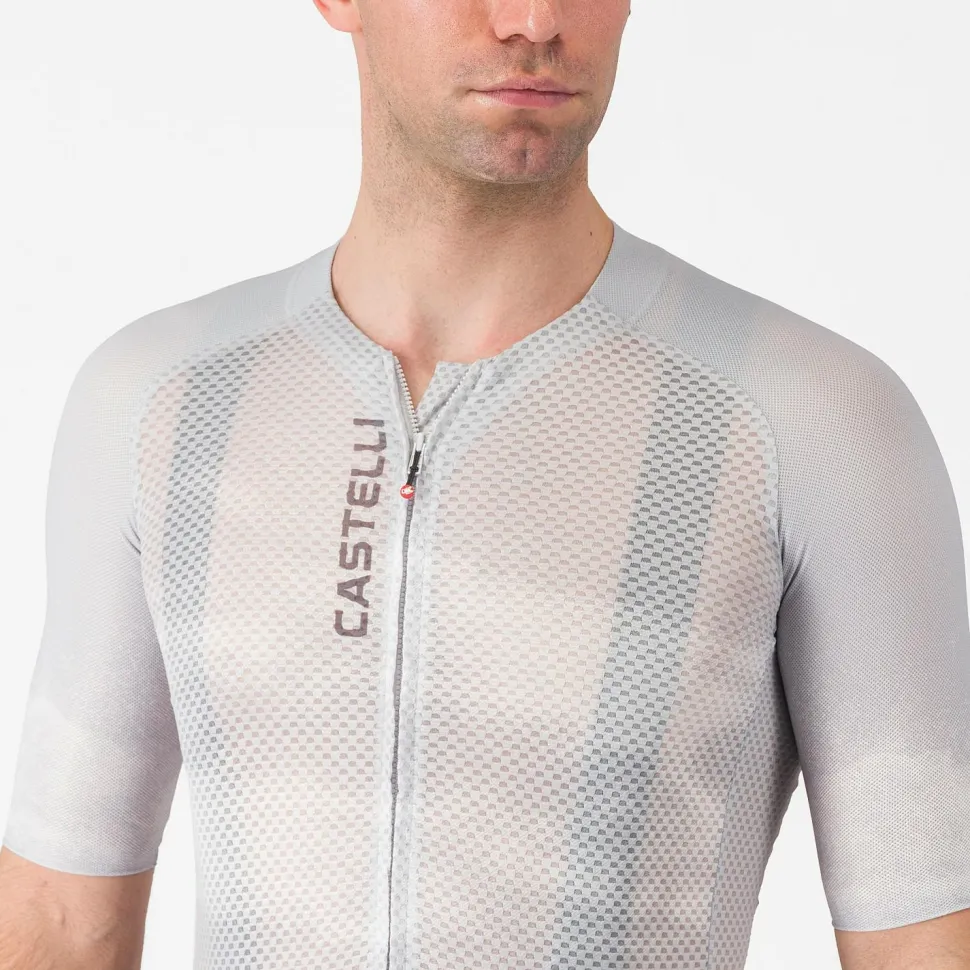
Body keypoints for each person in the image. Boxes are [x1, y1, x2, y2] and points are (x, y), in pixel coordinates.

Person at [1, 0, 969, 968]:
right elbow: (58, 920)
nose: (534, 20)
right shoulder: (161, 404)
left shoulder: (812, 424)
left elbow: (926, 944)